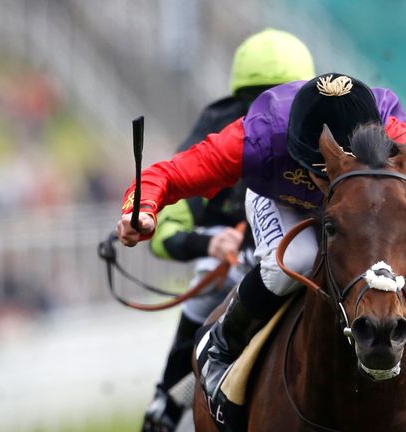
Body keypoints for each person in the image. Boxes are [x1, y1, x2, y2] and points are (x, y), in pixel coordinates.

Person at [117, 72, 406, 431]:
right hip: (282, 202)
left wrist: (388, 240)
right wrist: (142, 210)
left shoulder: (395, 139)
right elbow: (167, 174)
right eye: (320, 170)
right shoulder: (258, 136)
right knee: (296, 259)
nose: (325, 181)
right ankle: (222, 344)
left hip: (367, 214)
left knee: (395, 261)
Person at [140, 28, 316, 432]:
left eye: (283, 97)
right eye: (256, 100)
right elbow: (166, 229)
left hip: (313, 247)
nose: (270, 112)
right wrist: (210, 242)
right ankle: (166, 403)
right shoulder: (215, 133)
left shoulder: (322, 126)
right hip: (240, 265)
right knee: (207, 282)